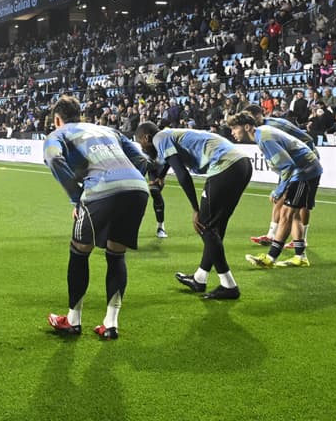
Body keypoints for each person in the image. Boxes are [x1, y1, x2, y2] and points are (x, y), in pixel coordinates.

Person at [45, 96, 149, 340]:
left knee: (80, 251)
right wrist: (130, 183)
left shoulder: (58, 134)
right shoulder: (107, 129)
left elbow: (54, 158)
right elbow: (142, 160)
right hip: (137, 188)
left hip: (100, 190)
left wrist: (76, 197)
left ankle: (73, 320)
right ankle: (110, 323)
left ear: (57, 119)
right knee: (116, 253)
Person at [135, 122, 252, 299]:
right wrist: (161, 176)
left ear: (146, 138)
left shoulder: (159, 138)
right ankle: (200, 278)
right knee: (216, 227)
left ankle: (228, 285)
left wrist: (195, 209)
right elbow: (171, 160)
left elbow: (182, 174)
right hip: (242, 164)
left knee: (205, 225)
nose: (143, 148)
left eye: (141, 143)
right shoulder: (168, 135)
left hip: (224, 164)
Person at [228, 112, 323, 268]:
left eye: (235, 128)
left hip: (304, 172)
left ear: (246, 127)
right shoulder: (262, 134)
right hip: (304, 170)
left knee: (287, 213)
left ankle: (271, 258)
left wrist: (278, 191)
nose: (232, 133)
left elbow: (287, 166)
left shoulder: (264, 138)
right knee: (292, 214)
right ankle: (300, 257)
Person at [241, 105, 320, 249]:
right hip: (288, 165)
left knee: (303, 204)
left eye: (250, 117)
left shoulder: (277, 125)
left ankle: (303, 239)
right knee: (280, 198)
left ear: (259, 115)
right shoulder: (260, 132)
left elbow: (307, 139)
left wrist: (306, 159)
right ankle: (272, 235)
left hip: (303, 165)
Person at [148, 161, 168, 239]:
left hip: (158, 162)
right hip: (144, 160)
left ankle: (160, 227)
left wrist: (161, 176)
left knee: (155, 191)